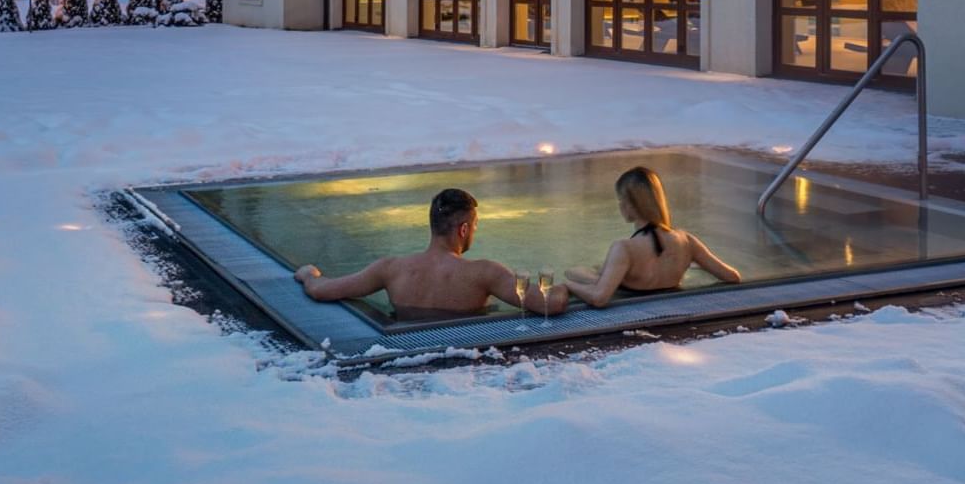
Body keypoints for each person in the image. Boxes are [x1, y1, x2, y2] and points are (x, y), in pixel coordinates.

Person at [293, 187, 566, 320]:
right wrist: (578, 284)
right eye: (475, 227)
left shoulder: (390, 269)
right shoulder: (483, 273)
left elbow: (322, 290)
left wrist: (309, 274)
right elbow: (548, 304)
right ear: (463, 230)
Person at [563, 165, 742, 308]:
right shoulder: (686, 240)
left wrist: (567, 286)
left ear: (631, 204)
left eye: (621, 200)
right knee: (586, 271)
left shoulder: (625, 248)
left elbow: (599, 298)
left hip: (631, 302)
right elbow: (732, 277)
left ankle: (596, 275)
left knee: (572, 274)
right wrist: (698, 263)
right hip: (671, 300)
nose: (620, 205)